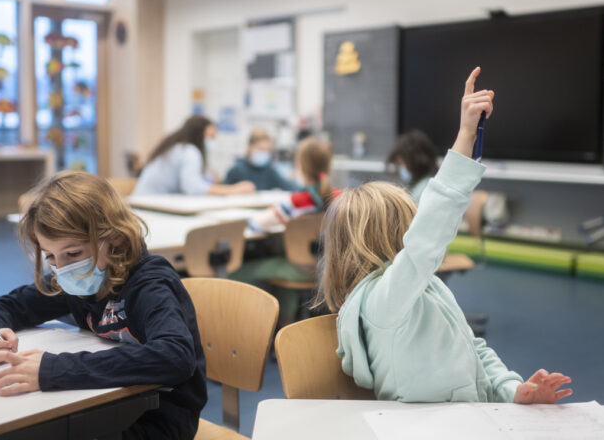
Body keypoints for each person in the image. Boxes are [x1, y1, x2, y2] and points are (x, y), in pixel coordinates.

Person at [317, 67, 573, 405]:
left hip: (469, 419)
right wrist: (466, 135)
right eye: (411, 222)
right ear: (396, 235)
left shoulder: (428, 287)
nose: (417, 227)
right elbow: (426, 240)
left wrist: (513, 391)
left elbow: (473, 347)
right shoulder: (383, 302)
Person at [0, 171, 207, 439]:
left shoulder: (149, 284)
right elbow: (8, 305)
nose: (63, 268)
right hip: (103, 405)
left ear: (115, 238)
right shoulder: (78, 279)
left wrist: (53, 369)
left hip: (159, 419)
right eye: (51, 257)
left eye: (73, 253)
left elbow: (175, 356)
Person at [230, 136, 339, 323]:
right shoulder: (340, 197)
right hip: (331, 268)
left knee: (239, 272)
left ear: (301, 166)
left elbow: (256, 224)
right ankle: (286, 327)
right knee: (282, 271)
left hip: (301, 269)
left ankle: (250, 327)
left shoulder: (296, 202)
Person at [133, 115, 255, 196]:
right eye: (211, 137)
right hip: (150, 205)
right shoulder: (189, 151)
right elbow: (192, 187)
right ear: (199, 134)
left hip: (147, 201)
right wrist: (233, 190)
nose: (213, 141)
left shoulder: (177, 147)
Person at [223, 128, 300, 191]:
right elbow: (222, 191)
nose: (264, 154)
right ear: (249, 147)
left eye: (267, 150)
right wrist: (235, 189)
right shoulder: (236, 170)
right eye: (261, 149)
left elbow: (288, 185)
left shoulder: (270, 170)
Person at [387, 129, 438, 204]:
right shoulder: (422, 186)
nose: (402, 168)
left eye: (402, 163)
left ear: (415, 162)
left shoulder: (424, 190)